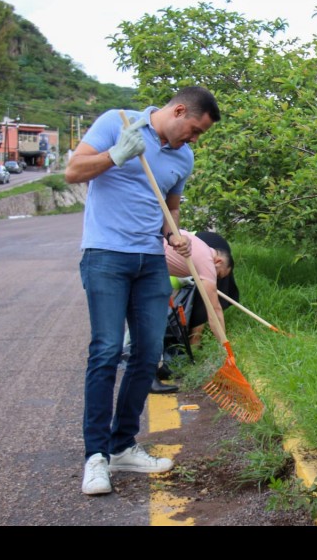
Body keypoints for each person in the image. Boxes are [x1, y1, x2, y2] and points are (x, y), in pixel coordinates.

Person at [65, 86, 221, 496]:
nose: (194, 139)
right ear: (179, 110)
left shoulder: (183, 157)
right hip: (105, 254)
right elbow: (74, 172)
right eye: (194, 129)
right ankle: (96, 457)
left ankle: (122, 446)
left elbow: (171, 207)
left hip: (150, 260)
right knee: (105, 351)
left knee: (149, 353)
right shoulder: (117, 123)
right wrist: (115, 155)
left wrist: (174, 235)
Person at [153, 230, 239, 393]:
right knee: (150, 321)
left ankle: (152, 369)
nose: (216, 279)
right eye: (219, 275)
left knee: (153, 319)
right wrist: (226, 348)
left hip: (148, 261)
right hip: (138, 256)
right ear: (219, 261)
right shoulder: (207, 261)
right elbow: (214, 311)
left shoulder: (200, 250)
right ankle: (147, 375)